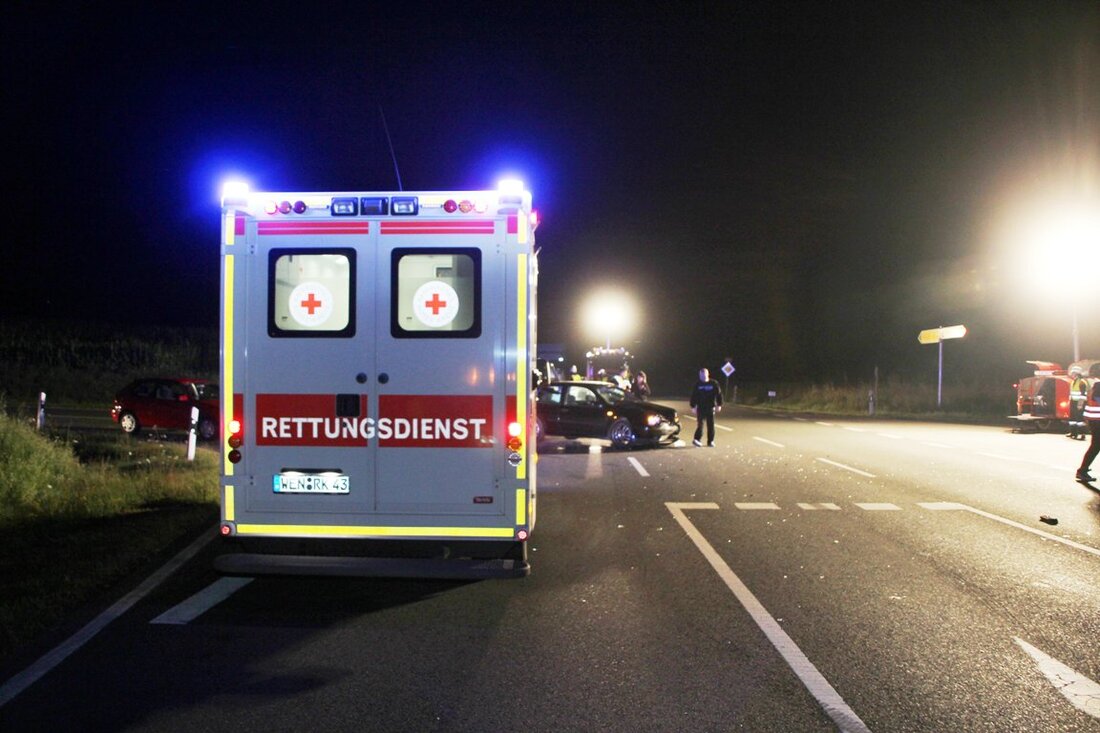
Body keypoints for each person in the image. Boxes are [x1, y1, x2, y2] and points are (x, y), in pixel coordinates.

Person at [689, 367, 723, 447]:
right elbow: (693, 396)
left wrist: (719, 404)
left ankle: (710, 441)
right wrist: (693, 406)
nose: (702, 377)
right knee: (700, 424)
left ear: (707, 375)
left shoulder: (714, 383)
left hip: (710, 407)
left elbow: (719, 394)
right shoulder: (697, 384)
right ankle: (697, 439)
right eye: (701, 376)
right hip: (700, 407)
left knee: (711, 425)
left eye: (704, 375)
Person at [1077, 380, 1100, 483]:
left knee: (1095, 447)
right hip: (1097, 421)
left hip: (1094, 421)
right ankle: (1082, 470)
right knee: (1095, 447)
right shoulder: (1098, 387)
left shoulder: (1095, 387)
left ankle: (1082, 470)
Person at [1067, 365, 1088, 440]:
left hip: (1079, 403)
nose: (1072, 374)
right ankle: (1073, 433)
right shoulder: (1073, 381)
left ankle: (1082, 434)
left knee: (1080, 419)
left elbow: (1083, 394)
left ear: (1077, 374)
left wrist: (1080, 404)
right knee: (1072, 418)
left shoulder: (1082, 382)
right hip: (1073, 401)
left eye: (1073, 373)